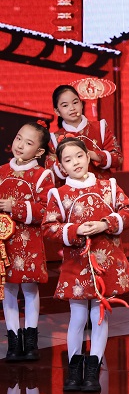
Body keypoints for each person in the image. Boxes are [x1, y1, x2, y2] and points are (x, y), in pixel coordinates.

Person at [42, 137, 129, 392]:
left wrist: (106, 223)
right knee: (77, 316)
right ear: (61, 166)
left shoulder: (109, 186)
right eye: (68, 160)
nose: (75, 162)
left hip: (106, 261)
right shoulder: (59, 194)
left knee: (99, 314)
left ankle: (93, 367)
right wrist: (74, 230)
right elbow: (49, 227)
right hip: (77, 264)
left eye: (79, 156)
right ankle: (74, 369)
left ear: (87, 157)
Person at [0, 121, 54, 362]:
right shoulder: (2, 171)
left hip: (29, 241)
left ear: (39, 151)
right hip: (4, 242)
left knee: (30, 289)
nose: (20, 145)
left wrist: (16, 207)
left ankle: (31, 339)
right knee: (8, 289)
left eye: (29, 143)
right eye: (19, 138)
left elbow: (47, 210)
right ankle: (13, 339)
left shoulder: (42, 175)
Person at [46, 85, 123, 184]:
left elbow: (118, 158)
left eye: (75, 102)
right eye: (65, 105)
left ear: (81, 104)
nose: (72, 108)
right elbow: (50, 174)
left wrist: (92, 154)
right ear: (57, 111)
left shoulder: (100, 127)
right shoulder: (54, 139)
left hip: (101, 187)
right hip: (72, 190)